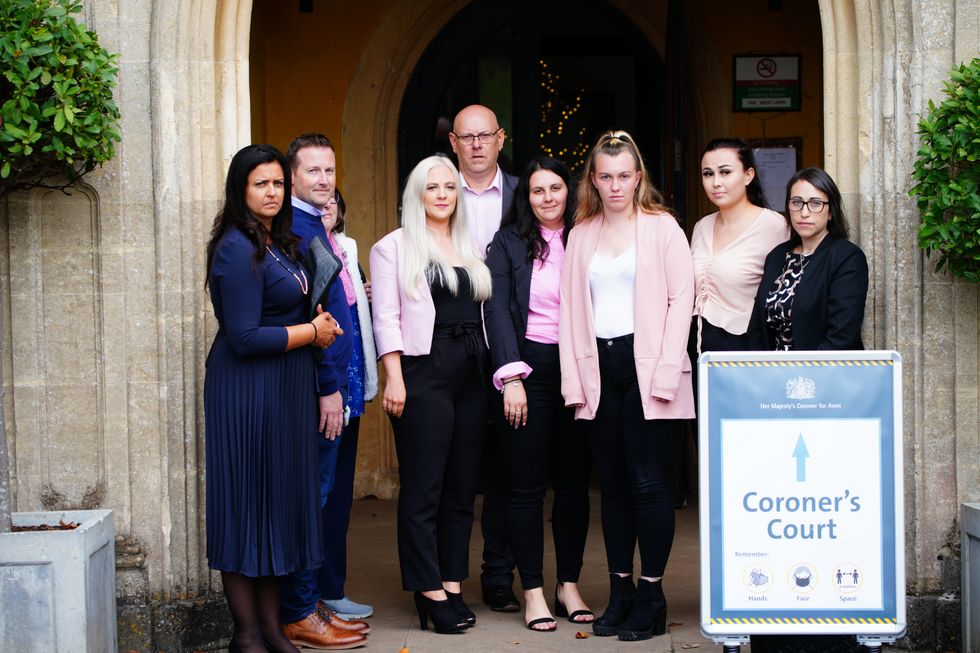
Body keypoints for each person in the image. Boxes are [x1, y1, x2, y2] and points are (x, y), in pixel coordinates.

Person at [204, 143, 343, 653]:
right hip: (246, 395)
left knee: (273, 513)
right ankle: (248, 639)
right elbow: (242, 336)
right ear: (241, 190)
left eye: (277, 183)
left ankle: (271, 630)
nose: (271, 192)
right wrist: (312, 332)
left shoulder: (280, 242)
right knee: (247, 513)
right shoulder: (236, 247)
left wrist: (312, 334)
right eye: (260, 183)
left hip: (283, 392)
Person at [559, 130, 695, 642]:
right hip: (600, 369)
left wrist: (664, 373)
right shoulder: (582, 233)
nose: (615, 185)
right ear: (593, 179)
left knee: (647, 483)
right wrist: (576, 383)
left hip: (649, 368)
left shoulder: (662, 228)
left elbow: (682, 301)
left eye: (624, 175)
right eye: (605, 176)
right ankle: (620, 591)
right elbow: (573, 313)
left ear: (639, 176)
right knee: (612, 488)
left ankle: (652, 594)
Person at [370, 155, 492, 635]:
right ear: (415, 195)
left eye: (449, 187)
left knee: (462, 489)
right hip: (423, 373)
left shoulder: (468, 244)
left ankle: (451, 581)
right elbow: (386, 318)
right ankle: (427, 590)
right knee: (425, 489)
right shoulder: (392, 248)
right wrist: (394, 377)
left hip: (471, 374)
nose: (442, 194)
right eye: (431, 187)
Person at [483, 157, 593, 632]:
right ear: (524, 198)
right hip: (529, 370)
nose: (548, 198)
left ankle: (568, 585)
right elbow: (498, 313)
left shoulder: (589, 236)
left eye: (555, 188)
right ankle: (532, 591)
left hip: (582, 370)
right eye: (536, 191)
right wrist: (511, 377)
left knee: (573, 486)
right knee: (525, 489)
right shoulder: (507, 244)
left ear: (568, 191)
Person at [278, 133, 368, 651]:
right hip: (320, 389)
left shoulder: (317, 226)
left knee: (322, 496)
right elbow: (312, 317)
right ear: (293, 176)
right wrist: (329, 388)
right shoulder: (297, 231)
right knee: (312, 500)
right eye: (312, 171)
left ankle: (309, 606)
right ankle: (301, 612)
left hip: (337, 384)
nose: (323, 180)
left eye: (329, 171)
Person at [448, 103, 521, 613]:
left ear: (500, 139)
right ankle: (444, 580)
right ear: (453, 143)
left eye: (484, 136)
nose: (476, 145)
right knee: (455, 468)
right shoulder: (435, 189)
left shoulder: (526, 193)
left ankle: (498, 575)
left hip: (514, 342)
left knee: (509, 469)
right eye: (466, 137)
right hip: (453, 343)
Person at [315, 188, 378, 621]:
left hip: (350, 384)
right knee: (316, 492)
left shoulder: (348, 250)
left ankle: (331, 589)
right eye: (318, 203)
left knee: (338, 494)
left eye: (333, 201)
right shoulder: (302, 251)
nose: (326, 208)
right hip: (323, 387)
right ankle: (307, 597)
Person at [747, 167, 869, 351]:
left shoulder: (847, 258)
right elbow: (757, 326)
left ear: (830, 211)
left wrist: (803, 374)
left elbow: (842, 335)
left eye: (815, 203)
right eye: (797, 202)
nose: (804, 212)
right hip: (771, 373)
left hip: (823, 373)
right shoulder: (777, 256)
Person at [691, 138, 789, 355]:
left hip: (746, 347)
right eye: (708, 174)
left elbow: (787, 295)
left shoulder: (773, 226)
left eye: (725, 172)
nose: (716, 182)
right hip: (699, 347)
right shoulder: (702, 226)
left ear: (748, 175)